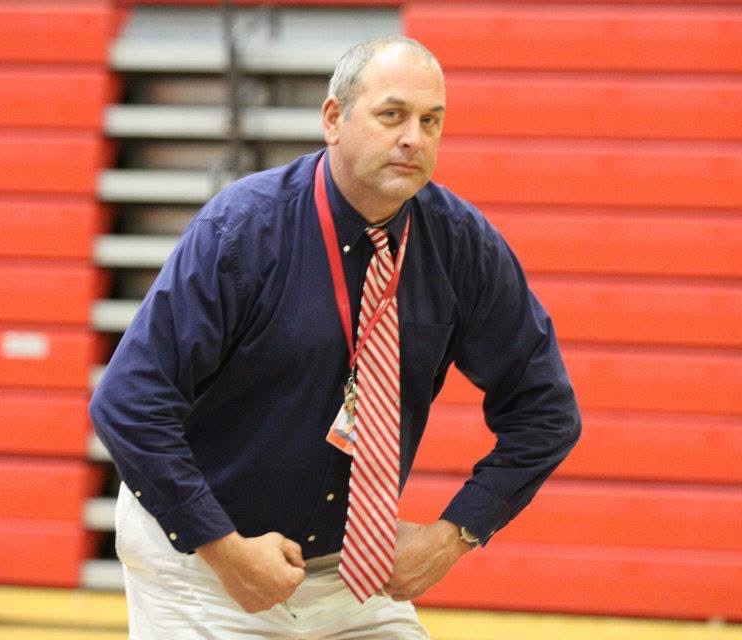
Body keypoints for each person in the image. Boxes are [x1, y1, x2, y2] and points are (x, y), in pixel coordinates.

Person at [90, 35, 581, 639]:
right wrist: (222, 548)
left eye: (431, 121)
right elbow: (127, 402)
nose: (414, 138)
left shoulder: (462, 246)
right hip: (203, 557)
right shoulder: (242, 230)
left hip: (350, 571)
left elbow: (546, 412)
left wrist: (453, 536)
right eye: (392, 115)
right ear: (333, 120)